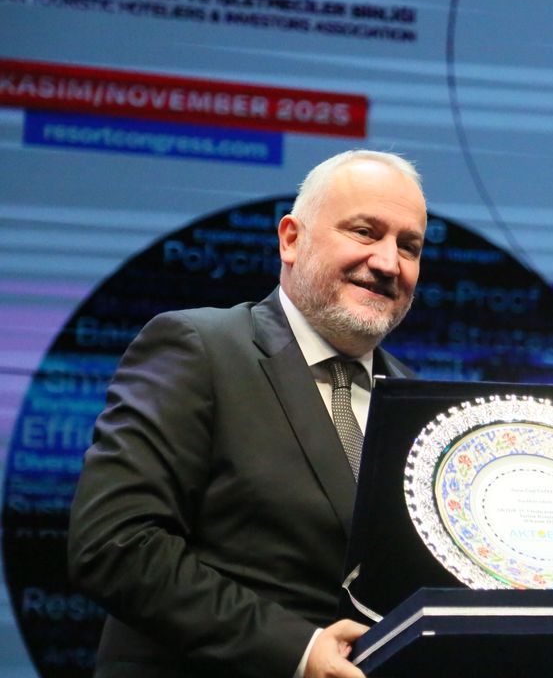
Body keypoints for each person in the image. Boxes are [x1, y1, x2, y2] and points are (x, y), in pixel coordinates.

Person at [67, 149, 428, 678]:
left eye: (409, 246)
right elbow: (116, 544)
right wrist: (299, 651)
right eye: (364, 232)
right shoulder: (198, 348)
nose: (388, 262)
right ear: (291, 239)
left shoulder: (414, 400)